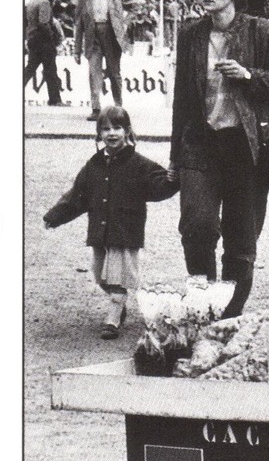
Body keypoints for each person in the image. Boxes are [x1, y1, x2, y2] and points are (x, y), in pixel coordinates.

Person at [168, 0, 269, 319]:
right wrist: (175, 155)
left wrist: (248, 75)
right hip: (200, 144)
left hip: (246, 149)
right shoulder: (190, 33)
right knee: (197, 226)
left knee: (241, 239)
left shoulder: (262, 31)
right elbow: (182, 98)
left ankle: (229, 317)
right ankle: (202, 308)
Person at [43, 106, 178, 338]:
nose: (111, 133)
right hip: (100, 230)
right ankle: (119, 303)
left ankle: (113, 318)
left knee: (118, 276)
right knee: (100, 274)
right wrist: (55, 216)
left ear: (128, 131)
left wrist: (173, 180)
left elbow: (159, 186)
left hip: (125, 231)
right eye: (105, 129)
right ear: (99, 134)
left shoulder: (140, 164)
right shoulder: (93, 165)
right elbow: (77, 196)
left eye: (117, 128)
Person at [74, 0, 131, 122]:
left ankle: (118, 106)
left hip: (111, 36)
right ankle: (96, 108)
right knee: (93, 73)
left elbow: (135, 5)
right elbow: (78, 25)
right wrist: (76, 50)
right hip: (93, 38)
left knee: (114, 73)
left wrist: (124, 23)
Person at [24, 0, 63, 106]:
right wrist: (52, 37)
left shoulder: (33, 0)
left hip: (32, 38)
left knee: (30, 68)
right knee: (51, 69)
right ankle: (55, 99)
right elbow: (44, 22)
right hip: (43, 40)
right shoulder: (44, 1)